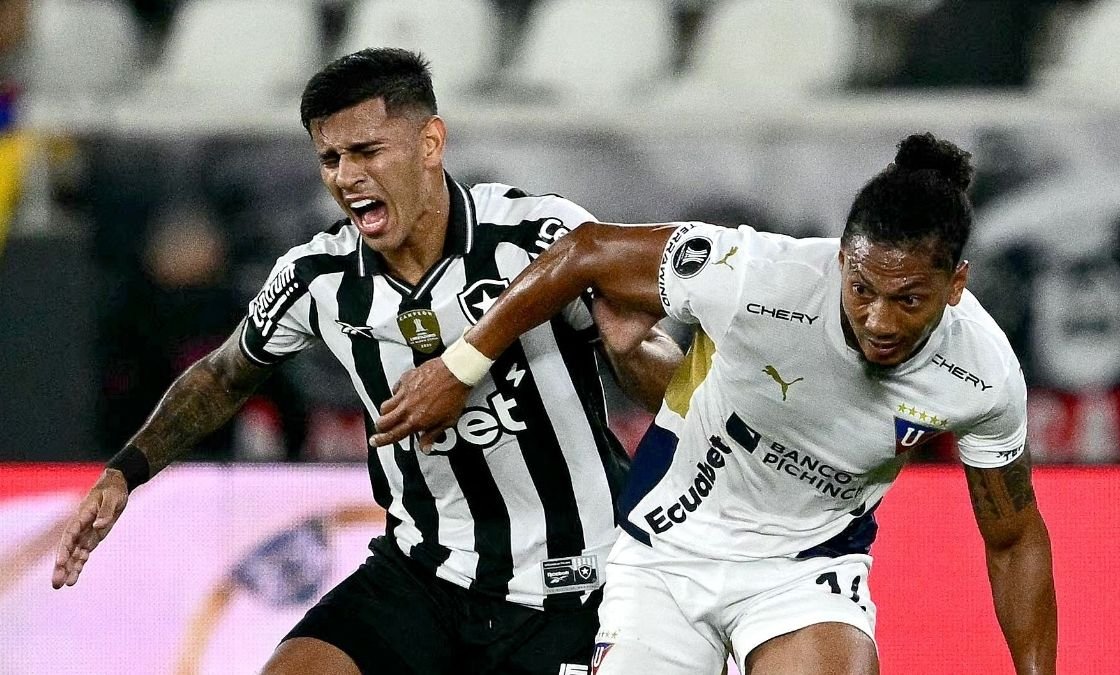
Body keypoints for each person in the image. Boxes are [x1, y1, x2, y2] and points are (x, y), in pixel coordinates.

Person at [51, 48, 682, 675]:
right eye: (330, 157)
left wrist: (631, 351)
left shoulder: (537, 235)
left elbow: (667, 384)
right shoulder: (315, 277)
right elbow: (224, 373)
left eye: (367, 151)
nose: (346, 176)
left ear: (430, 142)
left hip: (574, 586)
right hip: (424, 574)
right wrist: (125, 472)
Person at [375, 133, 1058, 674]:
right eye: (861, 288)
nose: (878, 319)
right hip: (665, 550)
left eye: (908, 299)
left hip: (805, 567)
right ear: (843, 258)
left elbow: (1013, 536)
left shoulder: (982, 376)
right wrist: (462, 364)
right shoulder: (757, 275)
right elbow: (584, 252)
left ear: (957, 283)